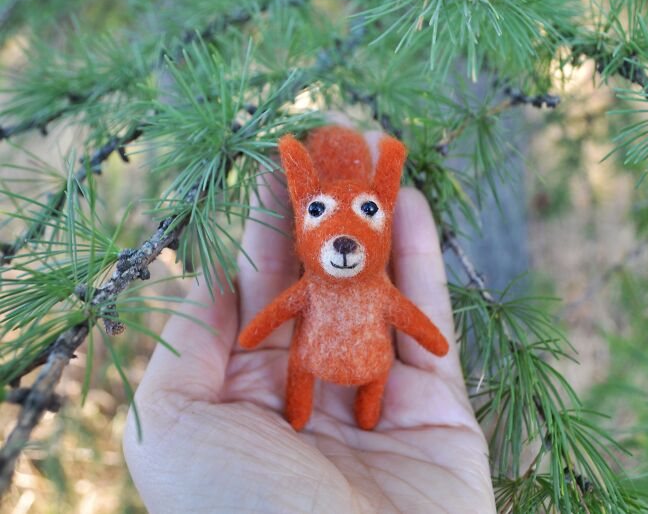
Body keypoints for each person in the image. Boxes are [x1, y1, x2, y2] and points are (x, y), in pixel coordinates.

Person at [123, 129, 497, 513]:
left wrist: (433, 339)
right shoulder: (312, 288)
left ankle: (366, 411)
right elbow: (279, 310)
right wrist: (253, 333)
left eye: (370, 211)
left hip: (367, 363)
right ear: (302, 225)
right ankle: (303, 411)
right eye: (317, 212)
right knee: (302, 371)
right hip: (316, 358)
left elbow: (409, 316)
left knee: (360, 381)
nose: (344, 240)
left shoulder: (377, 290)